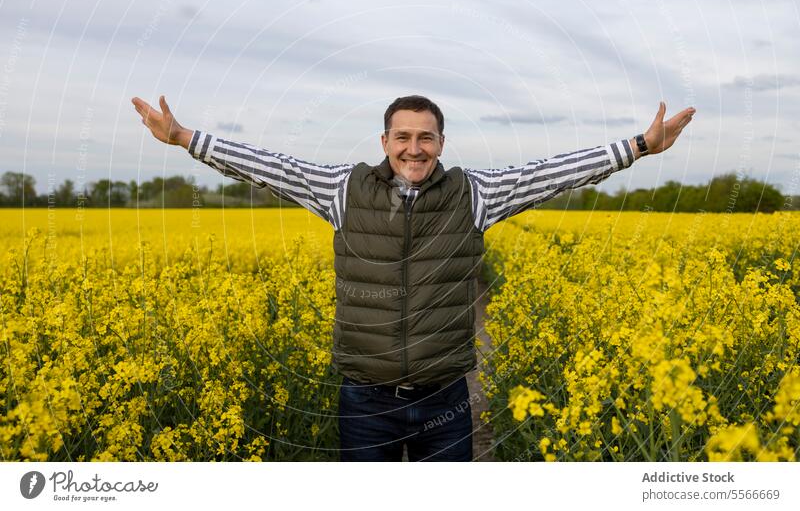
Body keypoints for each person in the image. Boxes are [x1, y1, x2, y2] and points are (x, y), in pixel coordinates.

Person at [131, 93, 695, 461]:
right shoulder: (342, 190)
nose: (414, 148)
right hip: (365, 401)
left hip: (446, 401)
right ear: (384, 143)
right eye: (402, 137)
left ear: (441, 144)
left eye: (426, 138)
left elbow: (552, 174)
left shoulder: (474, 194)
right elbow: (270, 167)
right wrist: (186, 138)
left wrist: (640, 147)